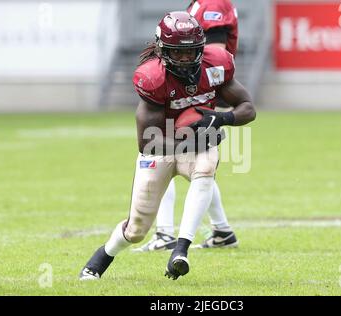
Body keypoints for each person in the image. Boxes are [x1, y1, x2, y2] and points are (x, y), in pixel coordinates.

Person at [79, 11, 255, 280]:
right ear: (163, 51)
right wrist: (196, 138)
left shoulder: (215, 66)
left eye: (190, 52)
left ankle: (180, 250)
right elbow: (148, 141)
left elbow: (248, 108)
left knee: (206, 165)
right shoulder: (153, 78)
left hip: (193, 146)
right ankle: (102, 256)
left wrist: (221, 118)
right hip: (162, 147)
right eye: (177, 53)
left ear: (200, 47)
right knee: (136, 230)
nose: (185, 59)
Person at [133, 0, 240, 252]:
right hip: (188, 87)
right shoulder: (200, 4)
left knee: (166, 153)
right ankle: (222, 230)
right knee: (196, 164)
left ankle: (165, 233)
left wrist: (196, 92)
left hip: (193, 90)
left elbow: (211, 58)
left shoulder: (212, 4)